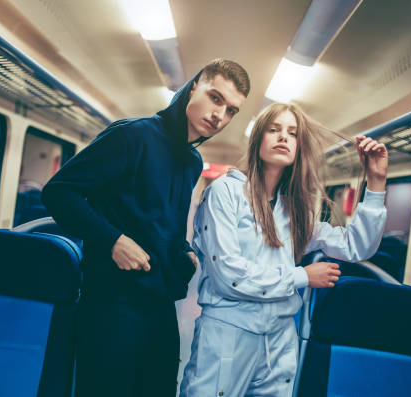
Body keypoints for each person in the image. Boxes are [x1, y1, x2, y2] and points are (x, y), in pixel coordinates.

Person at [41, 59, 250, 397]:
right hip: (112, 303)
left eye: (230, 111)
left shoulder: (192, 162)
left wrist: (183, 251)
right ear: (194, 86)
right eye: (215, 98)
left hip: (161, 303)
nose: (219, 115)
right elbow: (59, 192)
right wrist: (112, 240)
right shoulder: (131, 136)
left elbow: (164, 222)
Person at [179, 102, 388, 397]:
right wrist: (301, 276)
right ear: (257, 140)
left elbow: (357, 247)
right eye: (273, 130)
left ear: (299, 147)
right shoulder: (225, 193)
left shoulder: (295, 210)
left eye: (292, 133)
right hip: (230, 331)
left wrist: (376, 182)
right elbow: (229, 275)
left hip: (279, 336)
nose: (283, 137)